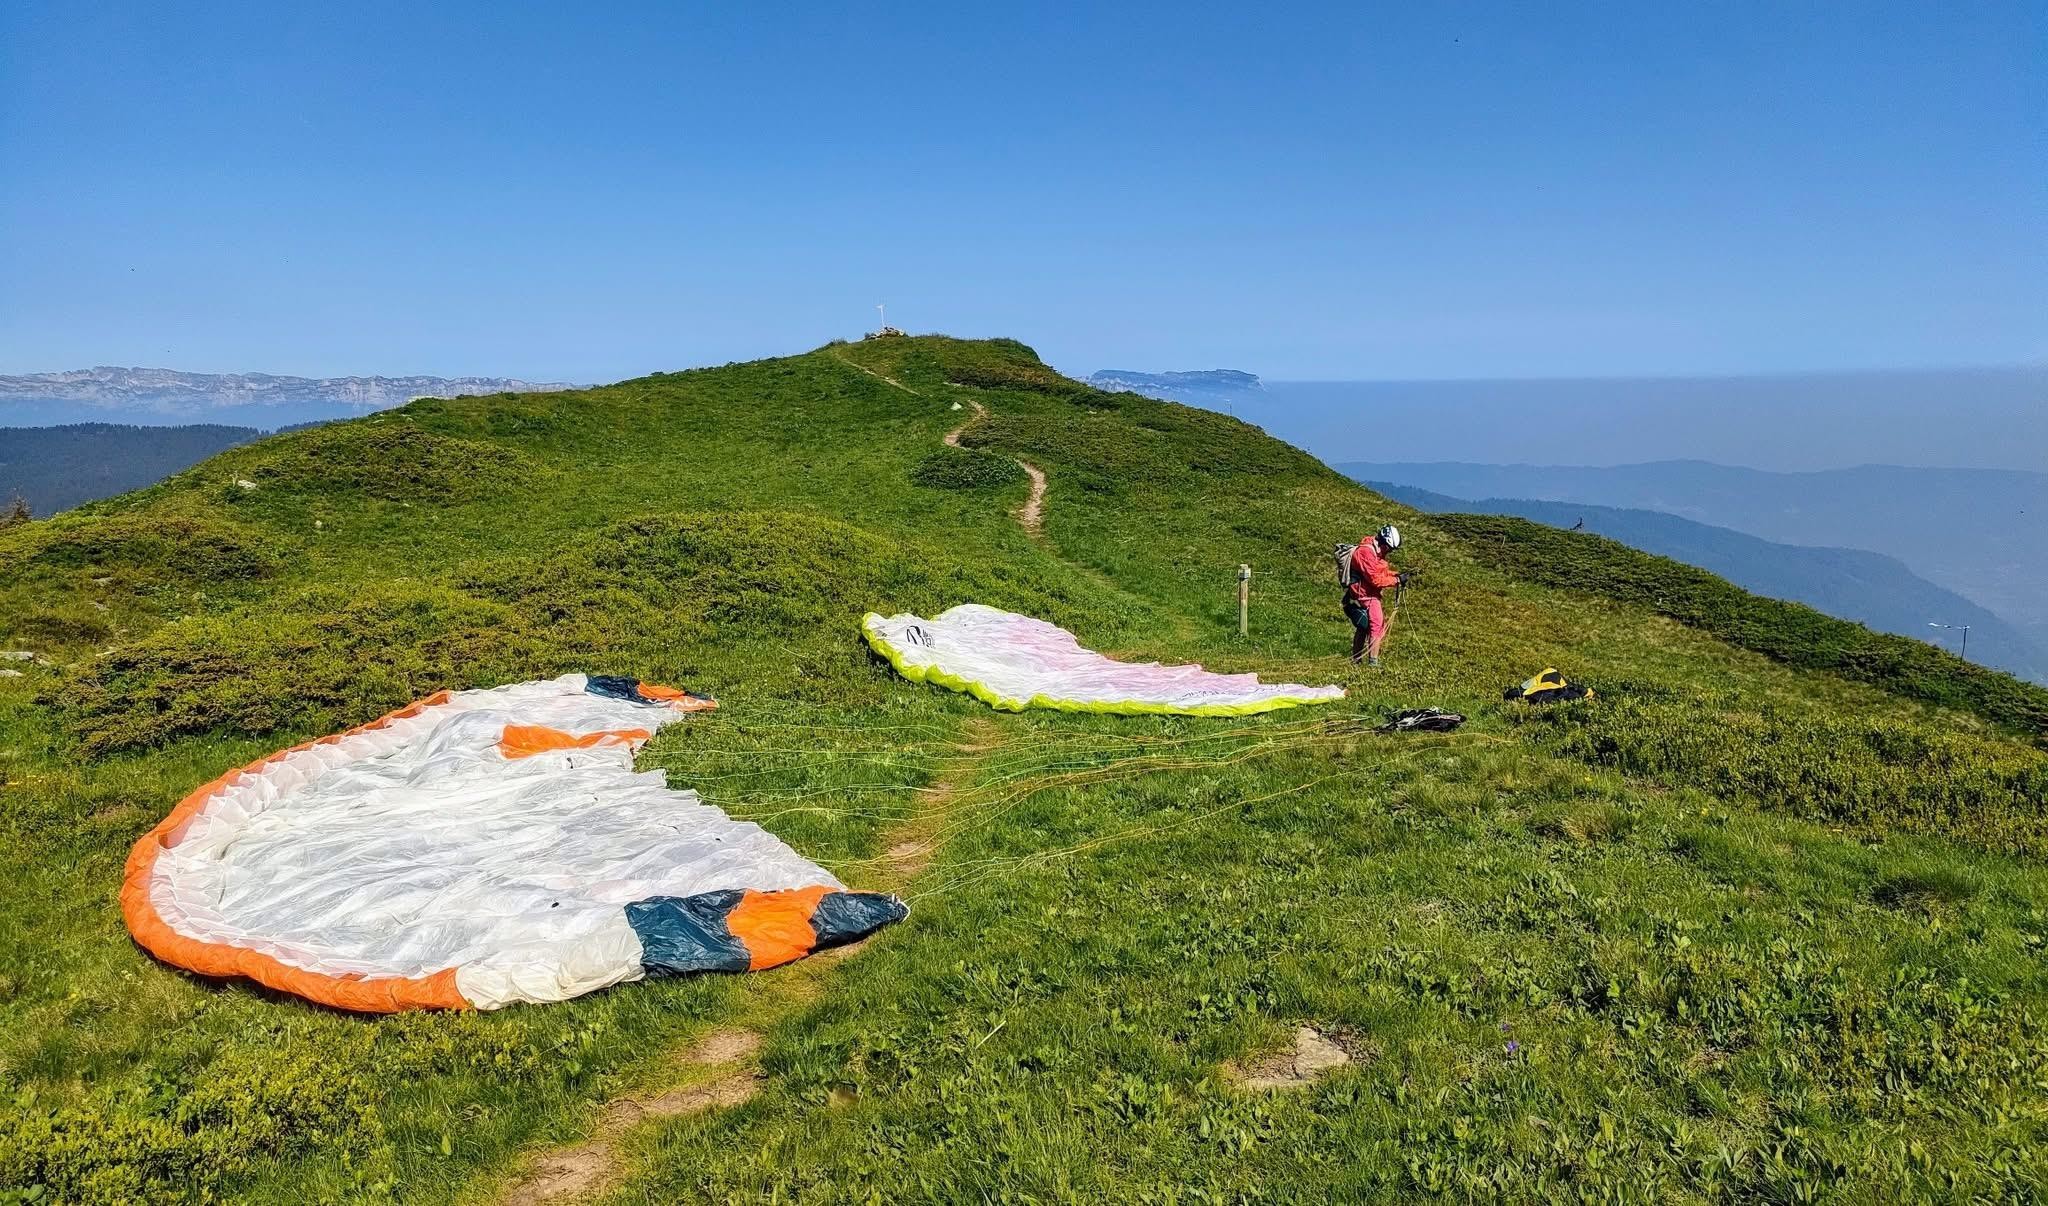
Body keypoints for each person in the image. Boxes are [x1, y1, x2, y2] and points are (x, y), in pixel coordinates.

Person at [1344, 524, 1406, 666]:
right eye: (1389, 548)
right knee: (1377, 625)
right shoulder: (1366, 553)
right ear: (1384, 542)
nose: (1389, 551)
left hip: (1366, 592)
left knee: (1364, 626)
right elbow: (1375, 579)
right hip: (1365, 594)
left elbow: (1378, 572)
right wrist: (1396, 580)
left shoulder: (1374, 550)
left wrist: (1396, 575)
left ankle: (1356, 660)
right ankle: (1373, 662)